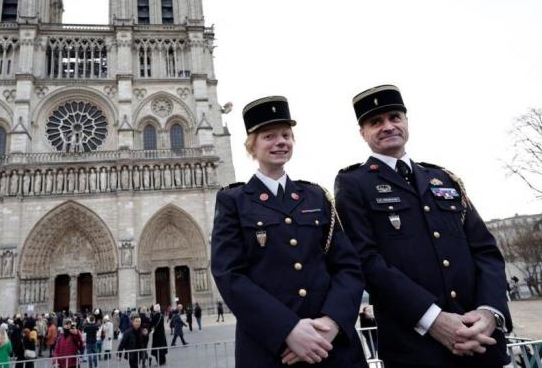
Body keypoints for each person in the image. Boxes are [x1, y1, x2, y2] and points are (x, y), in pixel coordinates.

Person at [334, 84, 512, 368]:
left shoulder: (443, 179)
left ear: (406, 122)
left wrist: (489, 314)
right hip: (416, 348)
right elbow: (367, 261)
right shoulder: (354, 184)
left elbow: (486, 251)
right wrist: (433, 319)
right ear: (362, 133)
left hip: (480, 341)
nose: (388, 126)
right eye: (375, 122)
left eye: (395, 117)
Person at [211, 95, 367, 368]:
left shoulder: (316, 196)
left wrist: (332, 322)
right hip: (272, 352)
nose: (280, 142)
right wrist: (287, 330)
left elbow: (348, 267)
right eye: (269, 136)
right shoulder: (233, 201)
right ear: (252, 147)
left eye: (286, 135)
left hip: (332, 348)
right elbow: (229, 275)